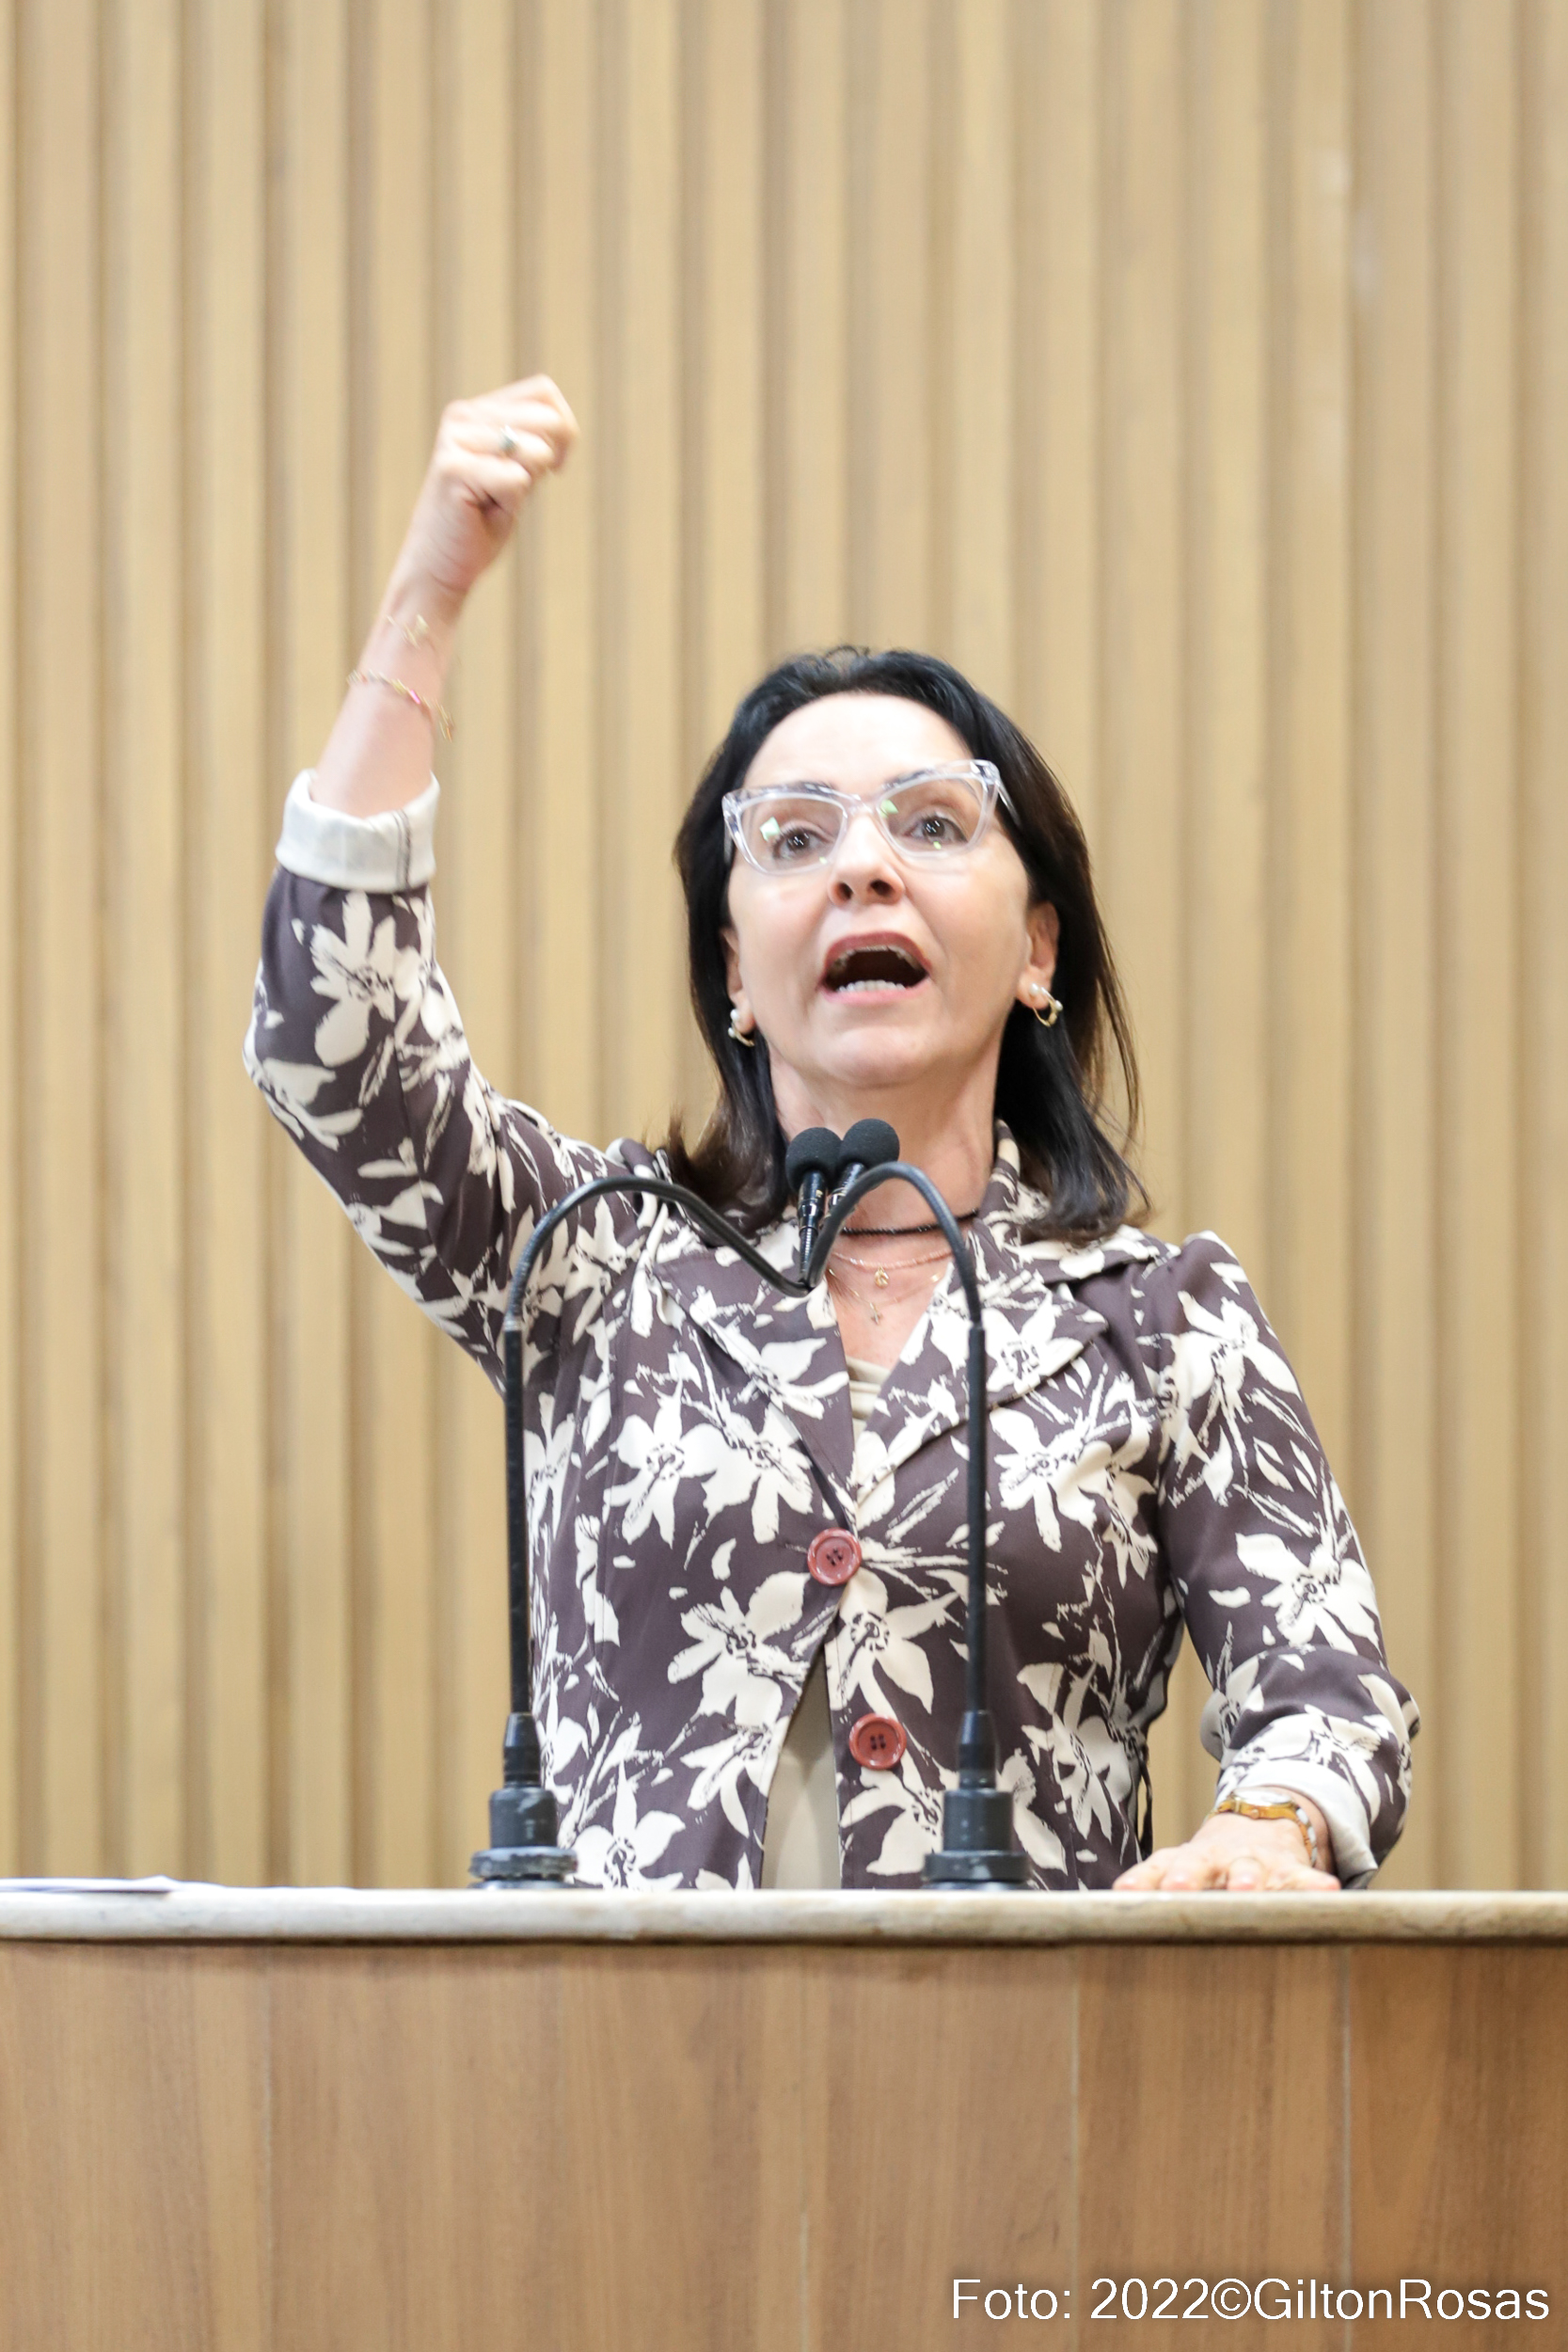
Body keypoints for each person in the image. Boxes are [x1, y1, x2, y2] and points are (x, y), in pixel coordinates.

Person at [245, 375, 1418, 1894]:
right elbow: (336, 1049)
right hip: (626, 2040)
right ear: (736, 970)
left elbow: (1328, 1691)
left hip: (1036, 2045)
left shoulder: (1166, 1319)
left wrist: (1271, 1825)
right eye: (795, 838)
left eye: (931, 824)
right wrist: (428, 593)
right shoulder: (594, 1259)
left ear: (1039, 947)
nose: (864, 865)